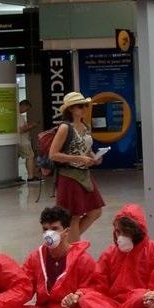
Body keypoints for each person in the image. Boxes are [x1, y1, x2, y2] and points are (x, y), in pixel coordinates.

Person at [3, 206, 95, 308]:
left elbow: (94, 290)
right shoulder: (35, 257)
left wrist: (78, 296)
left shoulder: (84, 260)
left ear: (66, 231)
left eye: (54, 228)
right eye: (45, 229)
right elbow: (22, 287)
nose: (49, 234)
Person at [48, 91, 105, 238]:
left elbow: (86, 149)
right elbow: (53, 154)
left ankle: (68, 242)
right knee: (74, 216)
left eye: (85, 105)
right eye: (80, 106)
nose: (84, 109)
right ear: (71, 109)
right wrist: (79, 159)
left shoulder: (85, 126)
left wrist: (95, 157)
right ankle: (74, 249)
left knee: (95, 211)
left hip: (83, 174)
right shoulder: (65, 127)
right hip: (69, 176)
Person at [17, 99, 38, 181]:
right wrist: (32, 126)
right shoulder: (19, 116)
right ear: (23, 106)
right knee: (30, 157)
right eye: (27, 109)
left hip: (18, 141)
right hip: (23, 142)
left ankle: (13, 176)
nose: (26, 111)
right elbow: (21, 130)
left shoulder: (16, 115)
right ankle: (31, 176)